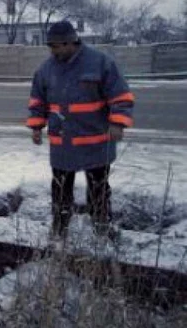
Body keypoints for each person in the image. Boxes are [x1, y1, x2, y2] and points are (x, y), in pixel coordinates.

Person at [26, 20, 135, 240]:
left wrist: (117, 123)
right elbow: (38, 101)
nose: (54, 51)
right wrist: (37, 126)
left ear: (71, 42)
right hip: (62, 145)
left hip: (95, 143)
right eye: (51, 46)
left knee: (98, 189)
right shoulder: (46, 70)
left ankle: (102, 229)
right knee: (60, 190)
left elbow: (121, 96)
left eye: (57, 46)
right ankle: (59, 230)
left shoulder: (100, 63)